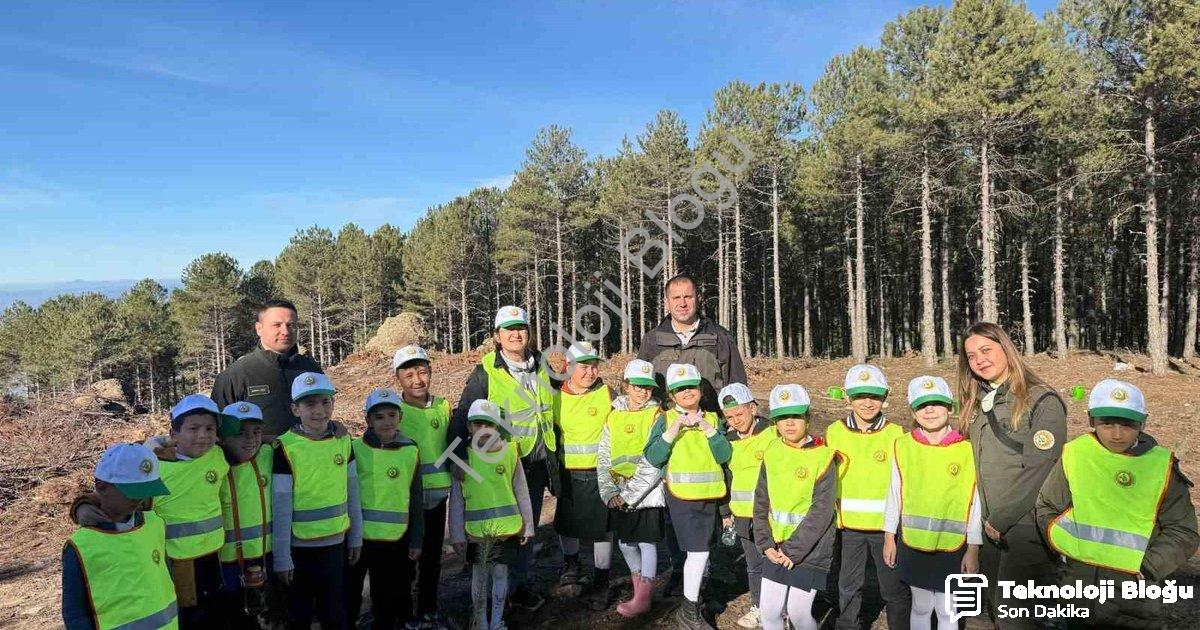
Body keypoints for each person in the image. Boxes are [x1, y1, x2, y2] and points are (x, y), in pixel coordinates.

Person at [1036, 379, 1199, 627]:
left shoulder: (1161, 466)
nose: (1117, 433)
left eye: (1127, 424)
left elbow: (1183, 531)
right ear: (1091, 420)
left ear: (1143, 422)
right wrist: (1067, 549)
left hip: (1136, 600)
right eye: (1107, 423)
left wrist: (1148, 567)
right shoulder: (1075, 454)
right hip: (1080, 590)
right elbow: (1047, 506)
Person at [638, 273, 746, 592]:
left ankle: (705, 567)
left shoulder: (720, 337)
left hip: (708, 430)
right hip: (671, 434)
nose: (683, 303)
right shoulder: (652, 340)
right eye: (676, 298)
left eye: (688, 296)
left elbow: (737, 386)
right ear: (666, 302)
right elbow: (641, 387)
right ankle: (678, 566)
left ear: (698, 298)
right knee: (671, 505)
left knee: (708, 501)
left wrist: (732, 424)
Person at [956, 322, 1066, 627]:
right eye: (971, 355)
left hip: (1025, 528)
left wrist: (1000, 519)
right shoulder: (977, 403)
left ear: (1006, 348)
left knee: (1015, 619)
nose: (979, 360)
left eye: (986, 350)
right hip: (988, 527)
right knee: (983, 614)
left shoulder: (1041, 400)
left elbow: (1040, 467)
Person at [450, 305, 558, 612]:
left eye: (521, 328)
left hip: (537, 461)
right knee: (496, 530)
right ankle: (486, 594)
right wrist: (457, 459)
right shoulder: (486, 370)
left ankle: (517, 587)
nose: (516, 334)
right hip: (501, 463)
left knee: (525, 526)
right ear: (497, 337)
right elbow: (462, 413)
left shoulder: (543, 365)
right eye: (508, 329)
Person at [882, 376, 982, 630]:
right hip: (914, 544)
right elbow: (894, 492)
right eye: (922, 405)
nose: (929, 410)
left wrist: (973, 547)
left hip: (954, 546)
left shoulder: (968, 448)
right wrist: (889, 535)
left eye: (937, 403)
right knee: (922, 606)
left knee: (948, 609)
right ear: (913, 412)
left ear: (950, 408)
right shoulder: (903, 446)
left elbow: (975, 501)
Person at [643, 363, 732, 630]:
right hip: (682, 499)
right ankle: (688, 610)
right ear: (671, 395)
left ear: (700, 390)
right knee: (698, 553)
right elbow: (653, 456)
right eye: (679, 389)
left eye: (690, 387)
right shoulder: (665, 419)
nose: (686, 393)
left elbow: (724, 455)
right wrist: (673, 431)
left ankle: (697, 599)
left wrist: (707, 428)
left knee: (705, 551)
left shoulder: (714, 420)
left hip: (711, 497)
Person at [272, 372, 363, 629]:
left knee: (335, 615)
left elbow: (353, 492)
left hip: (335, 546)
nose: (319, 411)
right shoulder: (285, 448)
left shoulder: (343, 441)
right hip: (298, 551)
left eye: (325, 402)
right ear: (295, 408)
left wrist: (356, 536)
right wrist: (282, 557)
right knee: (298, 616)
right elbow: (280, 508)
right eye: (310, 404)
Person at [824, 365, 910, 630]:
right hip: (848, 527)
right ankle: (847, 625)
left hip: (885, 529)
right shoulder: (834, 432)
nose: (867, 403)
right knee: (848, 584)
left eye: (874, 396)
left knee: (893, 586)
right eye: (860, 396)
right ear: (848, 397)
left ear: (885, 397)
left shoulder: (896, 434)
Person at [62, 443, 177, 630]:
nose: (139, 499)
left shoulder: (154, 523)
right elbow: (75, 612)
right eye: (132, 492)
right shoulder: (80, 546)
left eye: (146, 490)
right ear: (102, 486)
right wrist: (81, 505)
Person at [752, 384, 836, 630]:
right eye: (782, 417)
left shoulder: (824, 457)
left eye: (796, 416)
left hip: (810, 551)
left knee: (799, 614)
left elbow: (822, 510)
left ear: (808, 418)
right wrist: (765, 543)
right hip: (775, 549)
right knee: (769, 613)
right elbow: (760, 501)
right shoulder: (771, 451)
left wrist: (793, 551)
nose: (789, 424)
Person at [449, 399, 536, 630]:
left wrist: (527, 526)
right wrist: (457, 535)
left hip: (505, 530)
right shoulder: (463, 460)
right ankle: (480, 621)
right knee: (479, 577)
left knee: (499, 575)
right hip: (476, 533)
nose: (483, 430)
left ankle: (497, 620)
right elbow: (456, 501)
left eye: (489, 425)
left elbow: (521, 490)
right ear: (469, 427)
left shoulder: (509, 455)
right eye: (478, 424)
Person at [347, 388, 425, 629]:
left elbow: (416, 497)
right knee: (350, 594)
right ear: (368, 420)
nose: (387, 422)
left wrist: (416, 539)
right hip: (359, 538)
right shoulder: (354, 448)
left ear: (400, 417)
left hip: (395, 538)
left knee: (386, 596)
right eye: (379, 417)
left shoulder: (410, 451)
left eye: (392, 415)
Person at [150, 394, 230, 628]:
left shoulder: (217, 455)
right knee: (187, 617)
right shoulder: (156, 466)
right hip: (176, 561)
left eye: (209, 429)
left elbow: (252, 439)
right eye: (193, 428)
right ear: (174, 434)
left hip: (214, 554)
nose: (203, 436)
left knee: (214, 614)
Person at [597, 358, 667, 618]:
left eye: (647, 387)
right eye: (637, 385)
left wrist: (630, 495)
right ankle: (638, 586)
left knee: (647, 542)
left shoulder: (657, 415)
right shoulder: (613, 415)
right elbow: (603, 455)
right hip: (618, 492)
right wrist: (609, 492)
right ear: (626, 385)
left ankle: (644, 597)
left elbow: (655, 460)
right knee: (626, 543)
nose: (642, 391)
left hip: (646, 493)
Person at [552, 341, 616, 608]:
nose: (590, 372)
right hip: (568, 472)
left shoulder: (606, 393)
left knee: (603, 528)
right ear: (567, 367)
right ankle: (571, 564)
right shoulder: (555, 397)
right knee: (567, 523)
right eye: (583, 366)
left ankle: (602, 578)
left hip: (599, 473)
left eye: (593, 366)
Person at [393, 345, 451, 629]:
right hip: (407, 500)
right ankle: (404, 614)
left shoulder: (443, 406)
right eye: (409, 374)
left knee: (431, 558)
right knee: (406, 560)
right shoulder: (394, 411)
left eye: (422, 372)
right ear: (398, 379)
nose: (417, 380)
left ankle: (429, 607)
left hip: (438, 498)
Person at [213, 299, 323, 440]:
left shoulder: (310, 369)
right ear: (259, 329)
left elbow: (324, 413)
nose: (285, 331)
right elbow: (218, 431)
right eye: (277, 325)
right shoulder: (235, 376)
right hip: (260, 460)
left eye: (291, 325)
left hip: (308, 458)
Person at [718, 383, 776, 629]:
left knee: (775, 563)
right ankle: (759, 606)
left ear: (752, 408)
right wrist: (725, 512)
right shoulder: (727, 440)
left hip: (771, 516)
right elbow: (725, 477)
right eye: (729, 417)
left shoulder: (773, 433)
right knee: (754, 565)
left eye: (739, 414)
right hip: (742, 514)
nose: (735, 421)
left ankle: (778, 609)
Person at [215, 401, 274, 629]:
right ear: (221, 437)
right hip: (226, 564)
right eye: (240, 433)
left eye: (256, 432)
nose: (250, 439)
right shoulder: (210, 462)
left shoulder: (268, 454)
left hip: (265, 557)